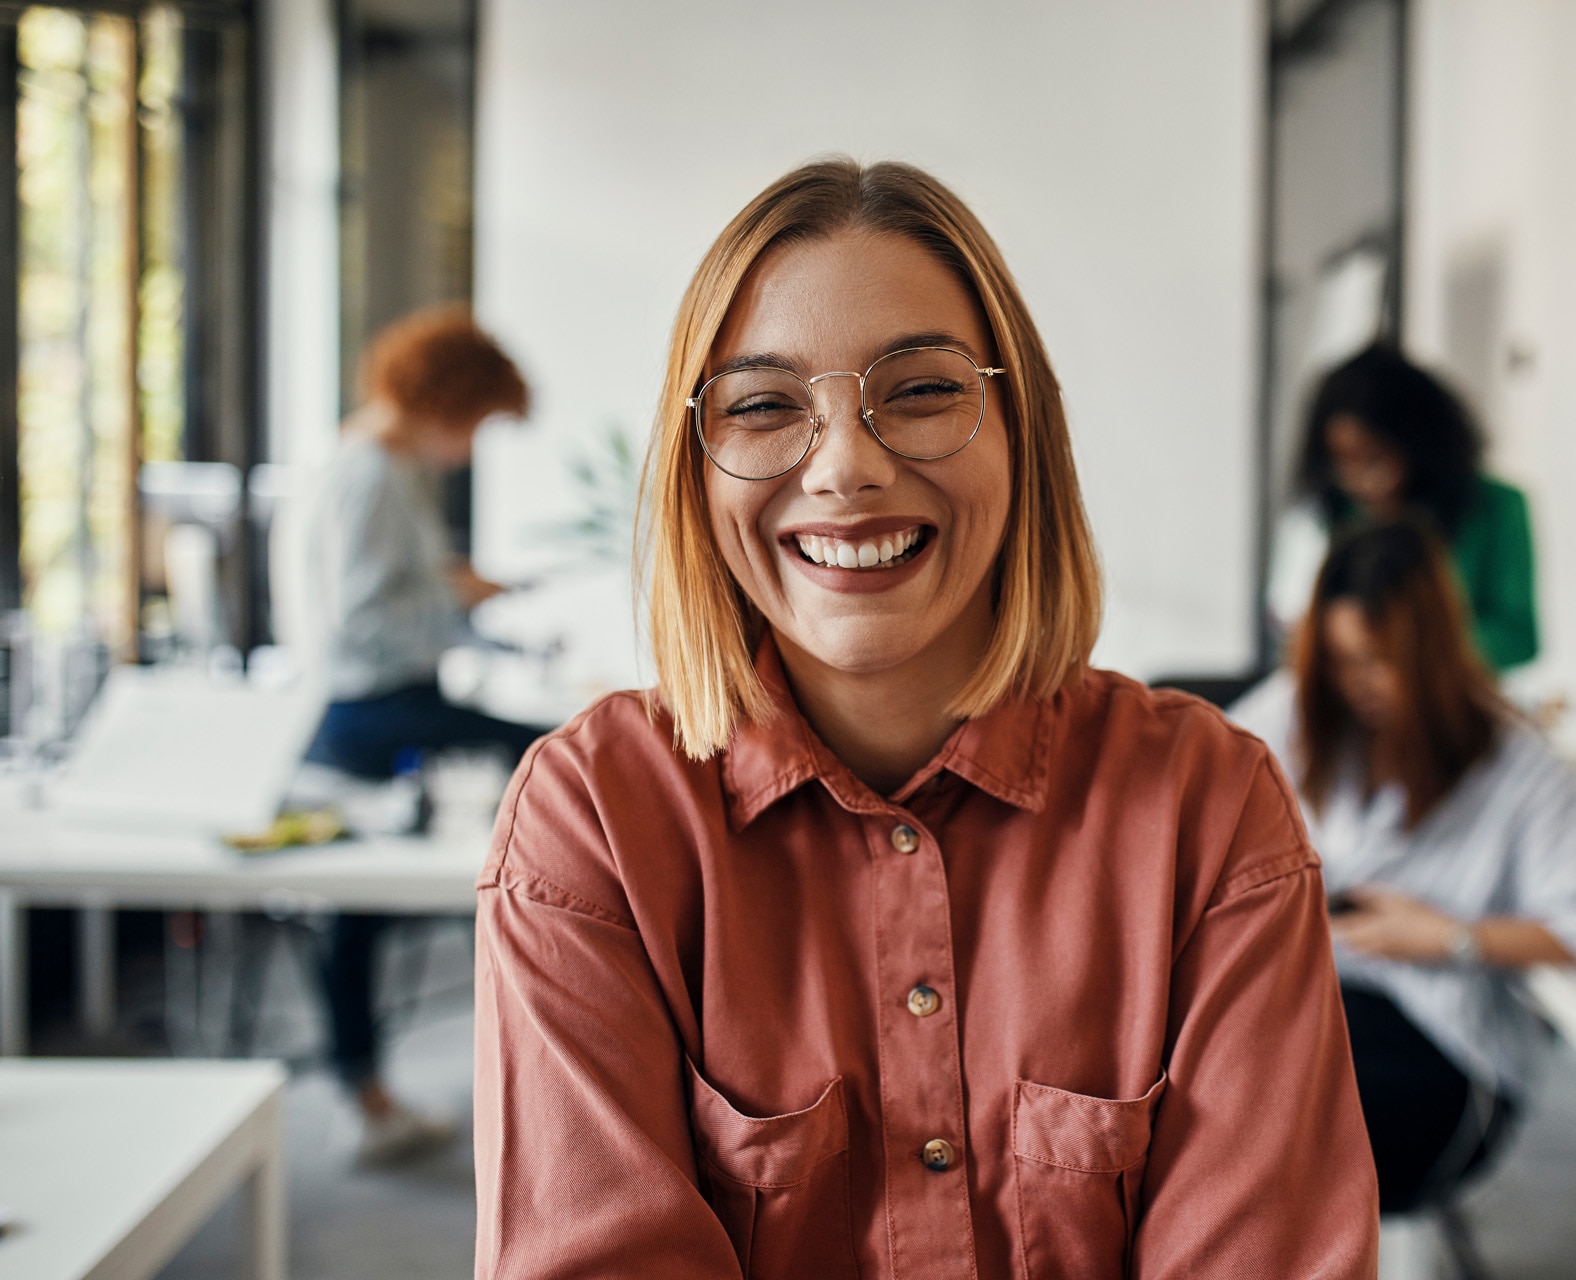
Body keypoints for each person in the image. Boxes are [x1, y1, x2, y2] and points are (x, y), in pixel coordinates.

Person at [472, 159, 1377, 1278]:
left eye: (923, 390)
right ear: (695, 474)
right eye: (762, 405)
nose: (847, 466)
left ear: (1022, 431)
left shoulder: (1209, 807)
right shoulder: (594, 821)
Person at [1232, 519, 1576, 1213]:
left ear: (1431, 654)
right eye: (1342, 660)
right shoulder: (1292, 717)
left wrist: (1453, 938)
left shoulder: (1513, 765)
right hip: (1298, 1013)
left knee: (1254, 1139)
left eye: (1379, 660)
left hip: (1434, 1050)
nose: (1358, 684)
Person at [302, 305, 547, 1164]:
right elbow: (361, 620)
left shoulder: (382, 467)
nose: (472, 444)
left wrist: (466, 601)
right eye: (477, 422)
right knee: (557, 755)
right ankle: (368, 1090)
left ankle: (367, 1088)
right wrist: (458, 598)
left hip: (385, 699)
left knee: (361, 912)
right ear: (450, 400)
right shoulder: (370, 473)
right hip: (368, 710)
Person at [1268, 343, 1540, 671]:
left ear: (1417, 444)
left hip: (1453, 705)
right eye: (1344, 464)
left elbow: (1517, 637)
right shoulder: (1342, 511)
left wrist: (1405, 642)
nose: (1359, 481)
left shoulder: (1495, 507)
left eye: (1374, 460)